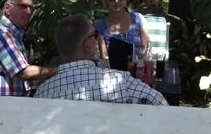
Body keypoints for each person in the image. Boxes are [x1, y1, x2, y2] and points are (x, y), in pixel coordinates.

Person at [34, 14, 167, 105]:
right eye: (94, 35)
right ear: (87, 45)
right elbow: (160, 102)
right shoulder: (120, 82)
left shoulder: (42, 93)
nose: (96, 38)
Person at [0, 0, 56, 96]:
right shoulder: (1, 35)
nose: (28, 11)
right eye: (23, 6)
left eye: (30, 7)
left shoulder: (13, 36)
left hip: (5, 103)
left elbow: (20, 80)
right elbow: (24, 73)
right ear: (7, 8)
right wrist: (60, 71)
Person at [94, 0, 150, 64]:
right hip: (111, 70)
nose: (116, 1)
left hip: (138, 68)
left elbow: (147, 50)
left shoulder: (138, 19)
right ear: (106, 0)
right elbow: (104, 57)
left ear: (125, 0)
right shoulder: (100, 25)